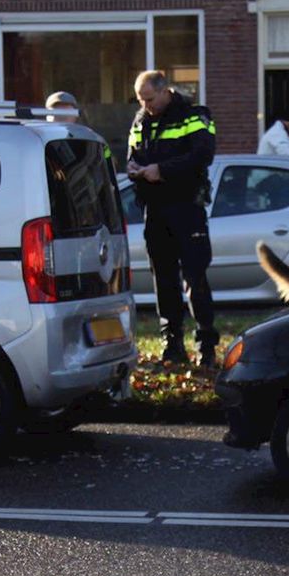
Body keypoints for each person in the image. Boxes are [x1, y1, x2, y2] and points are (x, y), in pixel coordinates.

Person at [127, 70, 219, 366]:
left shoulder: (193, 115)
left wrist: (161, 170)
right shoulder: (141, 120)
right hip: (155, 210)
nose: (145, 104)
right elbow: (132, 153)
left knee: (195, 277)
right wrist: (133, 167)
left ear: (165, 91)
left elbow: (203, 154)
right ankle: (172, 347)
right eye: (141, 99)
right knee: (164, 279)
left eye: (149, 98)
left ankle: (206, 347)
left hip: (186, 208)